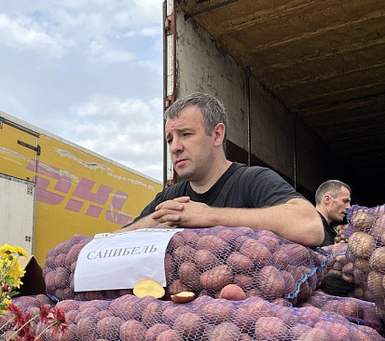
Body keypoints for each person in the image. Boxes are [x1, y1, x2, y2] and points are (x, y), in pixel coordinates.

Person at [123, 92, 324, 247]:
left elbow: (311, 227)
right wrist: (154, 220)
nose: (175, 147)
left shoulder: (253, 180)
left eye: (185, 134)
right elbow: (108, 243)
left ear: (217, 135)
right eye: (169, 139)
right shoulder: (169, 201)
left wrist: (208, 216)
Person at [315, 179, 352, 246]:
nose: (349, 207)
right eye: (345, 201)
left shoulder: (332, 232)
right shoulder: (310, 227)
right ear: (327, 199)